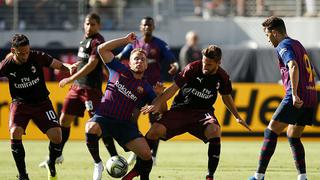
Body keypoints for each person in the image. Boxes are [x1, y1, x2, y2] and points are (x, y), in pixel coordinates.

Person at [141, 44, 251, 180]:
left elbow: (226, 96)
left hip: (202, 113)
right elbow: (173, 89)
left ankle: (210, 176)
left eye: (209, 64)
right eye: (204, 62)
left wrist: (237, 116)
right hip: (181, 109)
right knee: (154, 131)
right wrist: (156, 103)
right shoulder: (192, 68)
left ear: (218, 63)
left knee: (215, 130)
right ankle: (140, 171)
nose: (205, 66)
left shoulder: (222, 76)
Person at [38, 13, 118, 169]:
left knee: (99, 125)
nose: (89, 27)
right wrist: (74, 66)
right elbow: (84, 63)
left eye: (93, 24)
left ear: (99, 26)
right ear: (84, 24)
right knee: (63, 121)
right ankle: (56, 155)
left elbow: (92, 65)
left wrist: (69, 77)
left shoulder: (98, 41)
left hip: (91, 90)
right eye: (87, 23)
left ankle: (114, 157)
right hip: (77, 88)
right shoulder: (84, 41)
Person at [85, 32, 166, 180]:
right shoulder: (118, 69)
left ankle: (134, 177)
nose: (139, 61)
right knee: (90, 128)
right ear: (129, 61)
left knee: (147, 154)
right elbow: (101, 49)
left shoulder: (146, 87)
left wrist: (161, 96)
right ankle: (98, 163)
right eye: (136, 59)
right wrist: (125, 40)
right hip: (104, 117)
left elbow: (162, 111)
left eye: (143, 59)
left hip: (124, 125)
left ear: (147, 65)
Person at [248, 16, 317, 180]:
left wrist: (293, 92)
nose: (268, 39)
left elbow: (292, 65)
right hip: (311, 95)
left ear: (275, 33)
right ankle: (303, 177)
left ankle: (258, 176)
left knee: (270, 131)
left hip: (297, 96)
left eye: (267, 35)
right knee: (293, 136)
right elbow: (311, 71)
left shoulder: (283, 45)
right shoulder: (297, 44)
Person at [0, 34, 73, 180]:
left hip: (42, 104)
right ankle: (23, 175)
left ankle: (51, 164)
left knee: (57, 137)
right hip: (20, 104)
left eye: (27, 51)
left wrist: (70, 68)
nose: (25, 55)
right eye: (21, 53)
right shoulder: (6, 65)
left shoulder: (38, 56)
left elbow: (59, 65)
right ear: (13, 51)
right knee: (15, 132)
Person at [117, 16, 179, 165]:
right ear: (140, 27)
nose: (147, 27)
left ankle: (153, 155)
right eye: (145, 25)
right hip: (137, 89)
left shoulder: (160, 44)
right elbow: (120, 57)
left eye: (150, 25)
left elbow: (173, 60)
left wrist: (175, 66)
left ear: (153, 27)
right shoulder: (134, 44)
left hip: (153, 90)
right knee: (132, 119)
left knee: (155, 123)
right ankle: (136, 150)